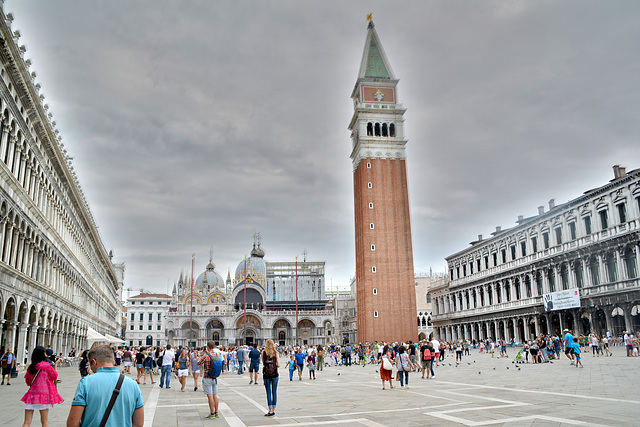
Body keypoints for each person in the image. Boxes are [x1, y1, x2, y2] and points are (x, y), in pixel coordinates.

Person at [67, 345, 144, 427]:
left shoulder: (86, 383)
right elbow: (138, 423)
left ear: (94, 362)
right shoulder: (133, 384)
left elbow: (73, 422)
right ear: (113, 362)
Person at [21, 346, 64, 427]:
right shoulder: (47, 366)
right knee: (44, 422)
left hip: (32, 394)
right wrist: (55, 365)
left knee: (26, 422)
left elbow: (28, 381)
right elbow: (54, 377)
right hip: (44, 395)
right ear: (43, 354)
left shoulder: (31, 367)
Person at [199, 341, 221, 419]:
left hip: (207, 377)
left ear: (207, 347)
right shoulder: (217, 354)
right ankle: (216, 412)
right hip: (215, 377)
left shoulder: (206, 356)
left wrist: (202, 354)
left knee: (210, 396)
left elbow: (199, 362)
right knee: (215, 395)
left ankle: (212, 413)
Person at [262, 339, 280, 417]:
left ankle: (270, 409)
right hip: (275, 374)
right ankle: (274, 410)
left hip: (266, 374)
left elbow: (263, 363)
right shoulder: (276, 353)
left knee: (268, 392)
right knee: (274, 391)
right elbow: (278, 364)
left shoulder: (263, 352)